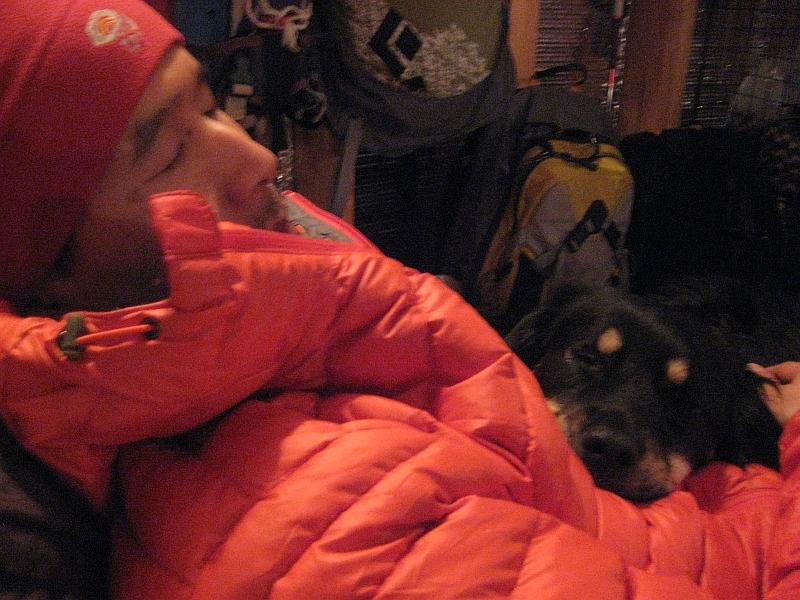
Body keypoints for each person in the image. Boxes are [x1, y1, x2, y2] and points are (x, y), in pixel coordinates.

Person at [1, 1, 799, 598]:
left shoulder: (298, 302)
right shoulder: (261, 475)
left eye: (212, 108)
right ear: (47, 277)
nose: (256, 157)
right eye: (172, 151)